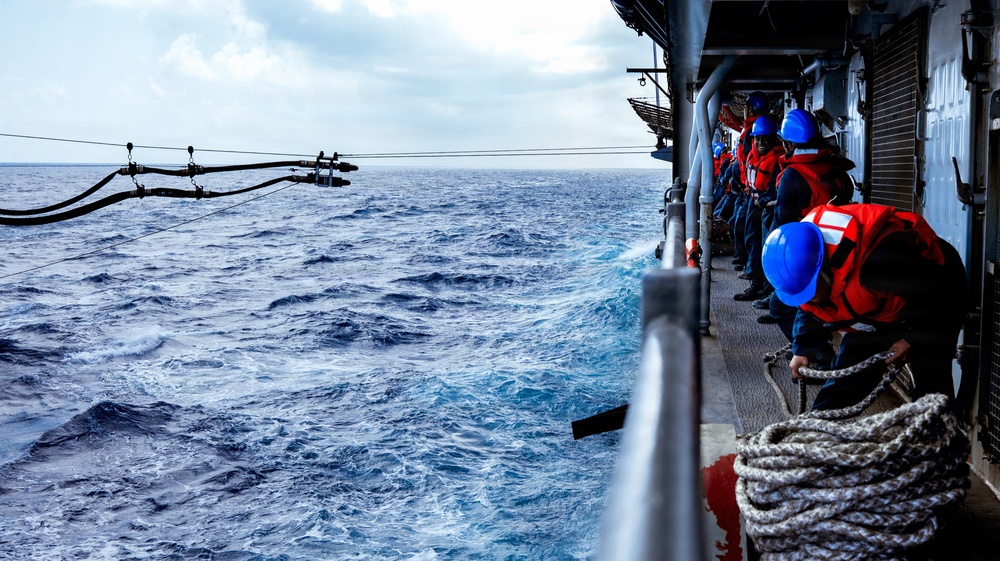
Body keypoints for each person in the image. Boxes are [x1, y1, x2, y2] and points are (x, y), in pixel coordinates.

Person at [762, 203, 968, 411]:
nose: (809, 300)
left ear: (825, 268)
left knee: (931, 384)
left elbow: (944, 299)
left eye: (812, 293)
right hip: (878, 308)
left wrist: (913, 338)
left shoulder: (883, 260)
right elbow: (810, 310)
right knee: (846, 379)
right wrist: (802, 349)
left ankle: (935, 437)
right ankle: (815, 427)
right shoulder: (805, 268)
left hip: (936, 295)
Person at [761, 109, 854, 332]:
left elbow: (782, 227)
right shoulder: (838, 169)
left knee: (781, 306)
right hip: (842, 247)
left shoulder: (792, 176)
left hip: (808, 251)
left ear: (789, 145)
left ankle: (815, 355)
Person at [734, 114, 783, 302]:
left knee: (765, 246)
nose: (761, 143)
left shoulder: (778, 161)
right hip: (754, 202)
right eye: (758, 139)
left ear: (775, 139)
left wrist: (763, 200)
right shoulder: (754, 156)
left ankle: (766, 289)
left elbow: (775, 189)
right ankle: (757, 282)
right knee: (751, 240)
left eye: (766, 139)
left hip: (768, 208)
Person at [728, 91, 769, 274]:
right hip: (752, 191)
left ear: (749, 108)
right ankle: (748, 266)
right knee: (745, 229)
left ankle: (752, 271)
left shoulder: (753, 132)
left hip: (754, 194)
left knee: (750, 233)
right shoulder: (755, 130)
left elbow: (747, 163)